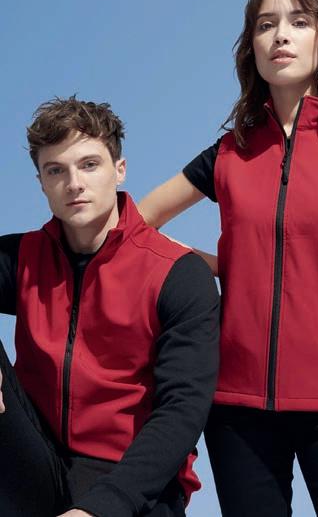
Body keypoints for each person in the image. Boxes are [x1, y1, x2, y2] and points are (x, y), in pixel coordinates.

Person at [137, 0, 318, 517]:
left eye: (298, 22)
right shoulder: (231, 152)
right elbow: (137, 226)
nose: (280, 35)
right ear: (252, 47)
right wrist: (224, 266)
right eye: (266, 25)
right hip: (237, 409)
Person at [0, 96, 220, 517]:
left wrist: (97, 510)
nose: (74, 184)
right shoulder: (24, 258)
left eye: (89, 165)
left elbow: (182, 411)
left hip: (132, 481)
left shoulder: (176, 274)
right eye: (55, 171)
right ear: (41, 183)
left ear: (119, 169)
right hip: (36, 464)